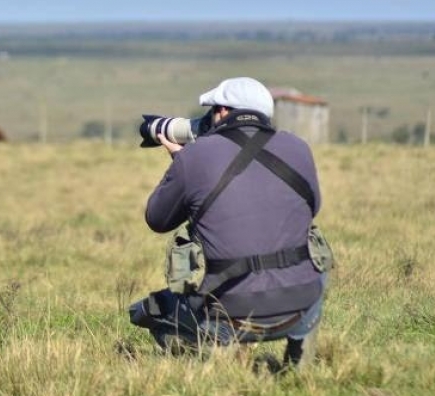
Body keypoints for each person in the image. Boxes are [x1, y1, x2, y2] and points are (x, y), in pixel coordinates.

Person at [130, 77, 327, 368]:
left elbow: (157, 220)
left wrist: (181, 163)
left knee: (149, 310)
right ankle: (299, 357)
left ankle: (210, 361)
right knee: (315, 252)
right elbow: (313, 207)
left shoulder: (195, 157)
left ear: (222, 111)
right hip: (301, 306)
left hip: (231, 316)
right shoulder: (299, 147)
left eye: (211, 111)